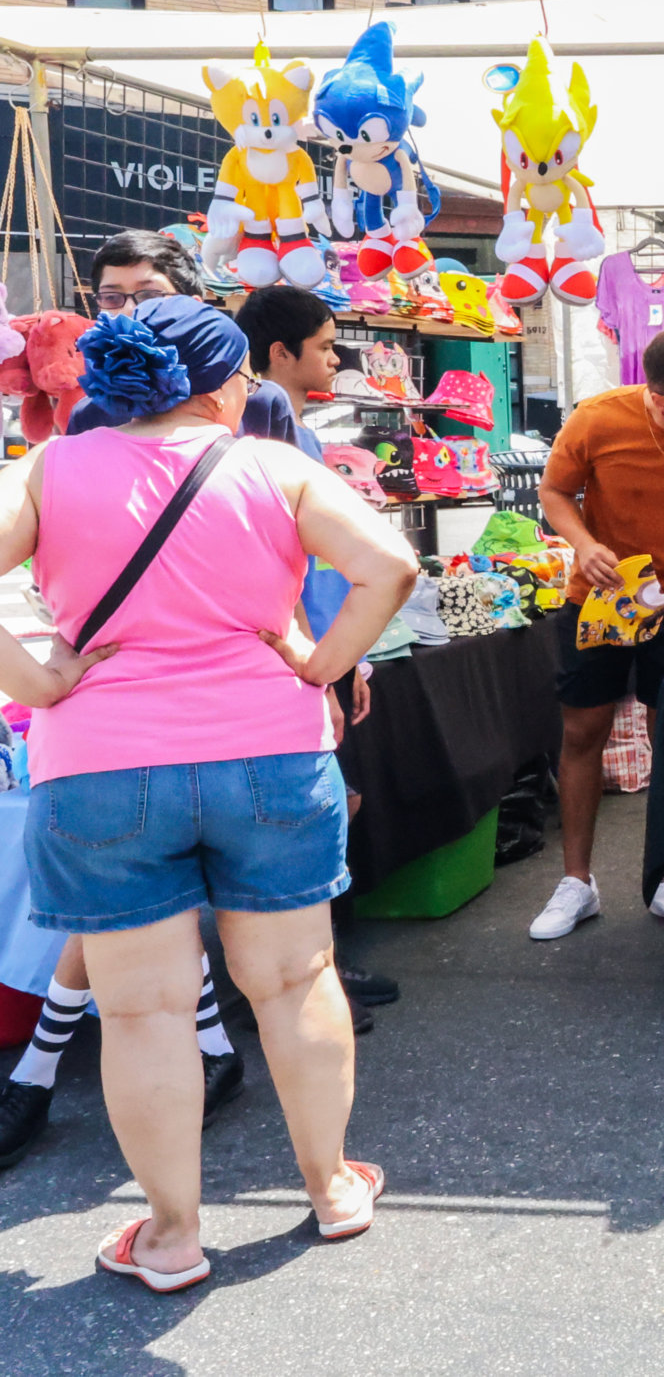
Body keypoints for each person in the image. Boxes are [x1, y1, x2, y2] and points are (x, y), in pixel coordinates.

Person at [11, 297, 415, 1291]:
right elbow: (391, 566)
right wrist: (317, 666)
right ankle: (331, 1190)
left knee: (143, 1011)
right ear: (224, 383)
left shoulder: (48, 468)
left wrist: (35, 678)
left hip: (100, 764)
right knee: (294, 979)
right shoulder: (276, 467)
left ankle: (171, 1235)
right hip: (270, 755)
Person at [530, 328, 664, 940]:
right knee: (583, 731)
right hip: (598, 600)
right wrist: (584, 542)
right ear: (657, 398)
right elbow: (553, 491)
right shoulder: (597, 419)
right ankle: (577, 881)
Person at [237, 285, 398, 1027]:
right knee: (307, 819)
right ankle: (305, 983)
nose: (336, 358)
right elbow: (291, 571)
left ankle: (322, 966)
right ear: (281, 352)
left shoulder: (282, 428)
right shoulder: (267, 437)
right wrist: (328, 665)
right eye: (329, 345)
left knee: (327, 810)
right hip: (297, 655)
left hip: (317, 647)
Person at [70, 230, 300, 442]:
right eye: (111, 298)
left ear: (195, 306)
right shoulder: (90, 413)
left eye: (150, 295)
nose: (130, 310)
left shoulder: (261, 402)